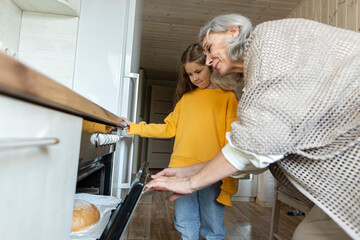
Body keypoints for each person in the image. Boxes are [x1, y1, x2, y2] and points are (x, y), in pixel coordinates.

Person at [146, 14, 360, 240]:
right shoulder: (254, 84)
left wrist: (190, 183)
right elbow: (253, 153)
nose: (207, 61)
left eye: (209, 48)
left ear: (232, 31)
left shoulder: (269, 40)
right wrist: (187, 170)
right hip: (339, 191)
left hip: (349, 172)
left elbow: (257, 143)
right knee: (308, 234)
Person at [121, 43, 240, 240]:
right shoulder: (186, 99)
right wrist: (135, 127)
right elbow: (168, 128)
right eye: (190, 74)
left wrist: (227, 171)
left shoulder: (228, 98)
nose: (194, 78)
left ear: (211, 65)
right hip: (180, 168)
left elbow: (233, 139)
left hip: (212, 169)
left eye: (198, 71)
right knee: (185, 222)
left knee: (213, 225)